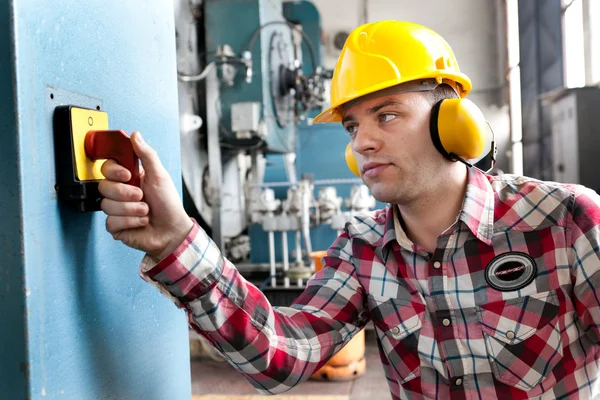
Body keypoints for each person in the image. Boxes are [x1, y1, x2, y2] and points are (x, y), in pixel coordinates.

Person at [99, 20, 600, 400]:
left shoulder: (564, 220)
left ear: (454, 120)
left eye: (387, 115)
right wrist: (177, 239)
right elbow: (281, 355)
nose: (363, 142)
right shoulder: (364, 249)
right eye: (352, 126)